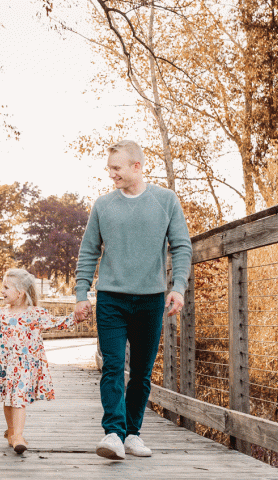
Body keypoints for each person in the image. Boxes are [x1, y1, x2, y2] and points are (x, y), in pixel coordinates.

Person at [74, 139, 192, 460]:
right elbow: (88, 252)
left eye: (116, 168)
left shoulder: (165, 201)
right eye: (109, 168)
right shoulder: (103, 205)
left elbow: (181, 246)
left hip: (151, 300)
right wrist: (81, 293)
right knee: (113, 366)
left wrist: (177, 286)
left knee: (141, 371)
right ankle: (113, 432)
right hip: (111, 298)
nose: (111, 174)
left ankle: (132, 434)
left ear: (136, 167)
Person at [0, 269, 77, 454]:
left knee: (18, 399)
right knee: (9, 399)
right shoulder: (1, 314)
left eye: (6, 287)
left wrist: (76, 317)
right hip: (6, 365)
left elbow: (57, 322)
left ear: (20, 292)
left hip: (25, 365)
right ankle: (11, 432)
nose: (2, 291)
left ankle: (18, 435)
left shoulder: (35, 313)